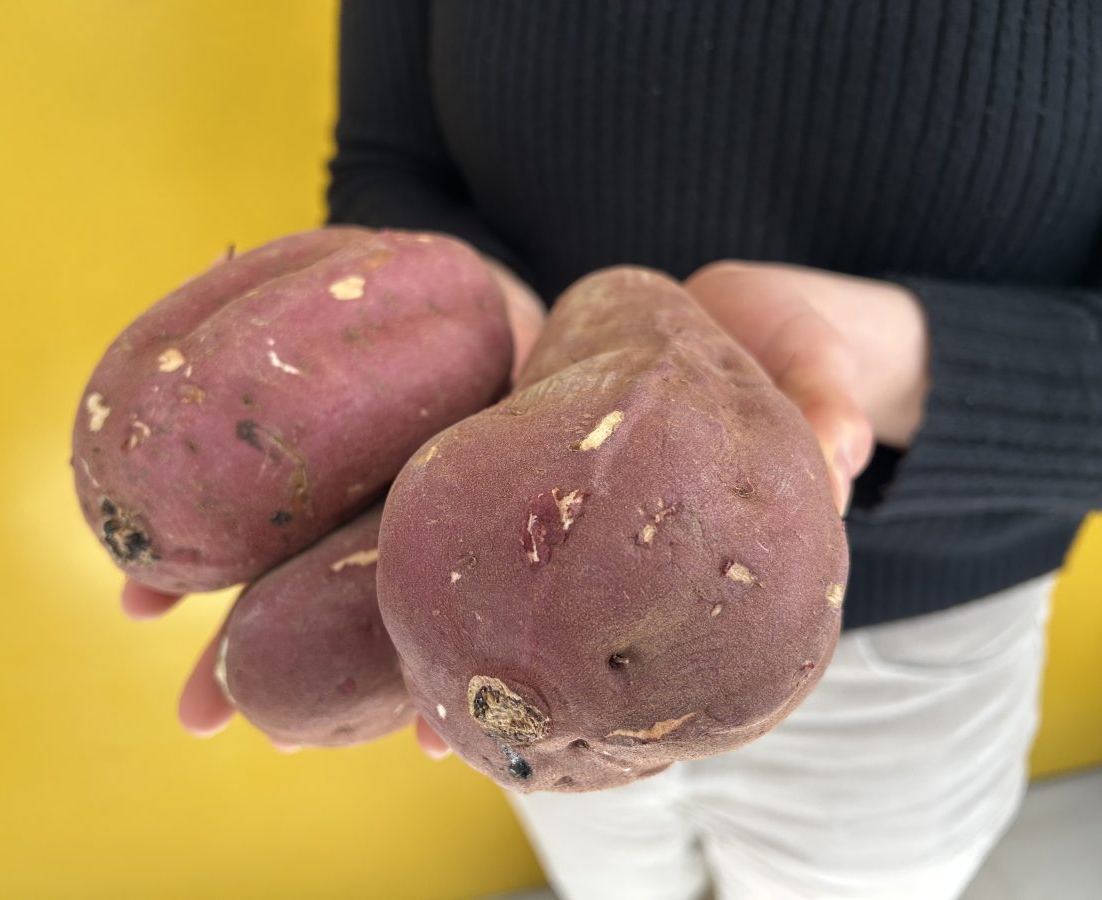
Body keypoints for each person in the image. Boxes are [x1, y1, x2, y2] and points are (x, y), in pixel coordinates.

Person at [124, 2, 1102, 897]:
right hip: (507, 592)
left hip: (911, 680)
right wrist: (468, 314)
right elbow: (388, 160)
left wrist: (894, 364)